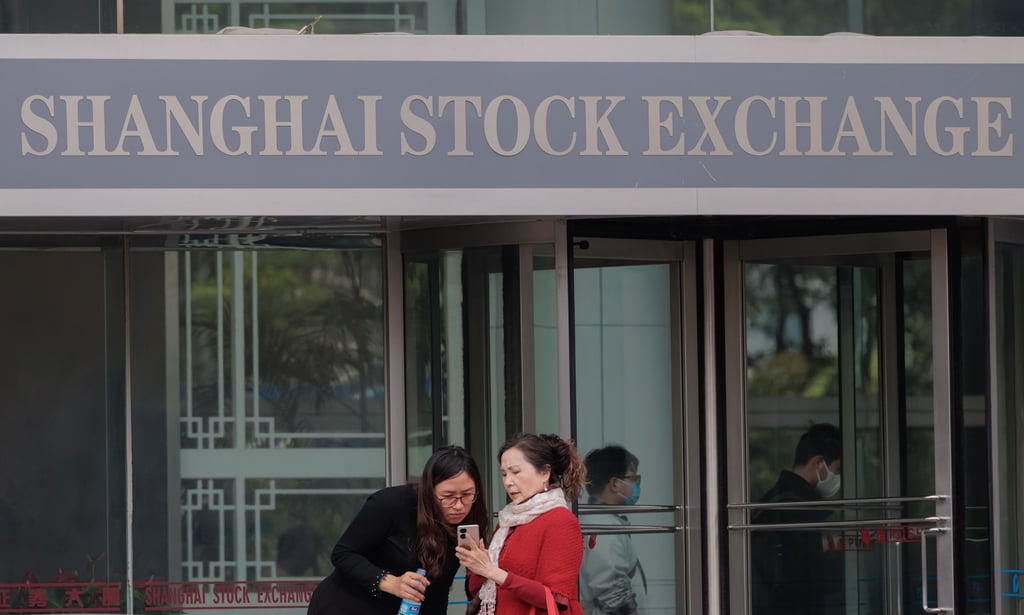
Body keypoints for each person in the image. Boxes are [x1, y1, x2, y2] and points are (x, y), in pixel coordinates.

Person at [306, 445, 489, 615]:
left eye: (467, 494)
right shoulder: (392, 503)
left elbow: (438, 592)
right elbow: (342, 554)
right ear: (429, 491)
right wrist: (390, 582)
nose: (458, 505)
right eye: (448, 496)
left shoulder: (470, 522)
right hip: (345, 605)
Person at [458, 433, 587, 615]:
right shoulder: (508, 520)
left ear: (544, 473)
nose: (508, 482)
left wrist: (493, 572)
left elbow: (556, 600)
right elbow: (476, 591)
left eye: (516, 472)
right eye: (503, 474)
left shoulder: (560, 521)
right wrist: (478, 566)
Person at [750, 423, 844, 615]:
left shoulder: (777, 499)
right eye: (837, 469)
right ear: (818, 463)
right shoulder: (796, 508)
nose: (838, 476)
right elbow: (806, 577)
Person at [579, 445, 647, 615]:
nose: (636, 486)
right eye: (633, 479)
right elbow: (612, 594)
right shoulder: (602, 527)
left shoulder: (602, 521)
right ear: (615, 483)